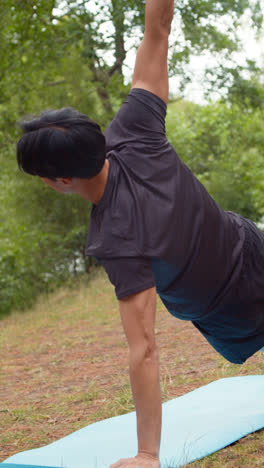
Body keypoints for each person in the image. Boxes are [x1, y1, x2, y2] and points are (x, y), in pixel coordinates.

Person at [16, 0, 264, 466]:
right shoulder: (134, 128)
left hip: (227, 305)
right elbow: (158, 29)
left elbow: (144, 350)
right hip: (250, 247)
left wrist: (147, 454)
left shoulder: (117, 240)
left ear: (61, 181)